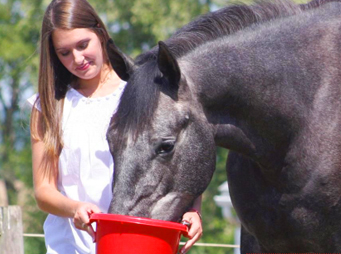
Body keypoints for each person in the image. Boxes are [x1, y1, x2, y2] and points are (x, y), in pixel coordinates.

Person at [28, 0, 203, 253]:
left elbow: (181, 155)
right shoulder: (48, 106)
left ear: (100, 33)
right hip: (69, 247)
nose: (77, 58)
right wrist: (74, 208)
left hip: (140, 242)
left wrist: (193, 210)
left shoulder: (141, 93)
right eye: (64, 52)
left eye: (82, 45)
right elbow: (43, 190)